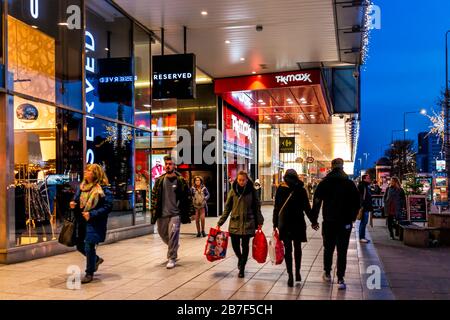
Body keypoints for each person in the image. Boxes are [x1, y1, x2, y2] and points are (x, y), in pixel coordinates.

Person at [311, 158, 360, 290]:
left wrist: (314, 220)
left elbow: (317, 201)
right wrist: (352, 218)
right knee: (342, 250)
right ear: (342, 167)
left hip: (329, 221)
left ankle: (327, 272)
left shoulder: (325, 183)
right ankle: (340, 278)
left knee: (328, 248)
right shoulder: (349, 184)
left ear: (331, 167)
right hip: (345, 222)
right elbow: (357, 202)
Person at [273, 169, 317, 287]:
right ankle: (297, 272)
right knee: (297, 248)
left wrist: (274, 224)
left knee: (288, 250)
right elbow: (307, 208)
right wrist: (314, 221)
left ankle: (290, 276)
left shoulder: (280, 190)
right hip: (298, 223)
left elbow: (276, 208)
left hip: (285, 223)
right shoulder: (301, 190)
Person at [70, 164, 113, 284]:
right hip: (82, 220)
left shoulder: (103, 189)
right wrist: (73, 204)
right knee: (79, 245)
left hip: (95, 222)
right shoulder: (82, 187)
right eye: (85, 170)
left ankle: (89, 273)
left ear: (95, 174)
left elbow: (108, 207)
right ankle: (96, 260)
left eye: (88, 170)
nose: (85, 172)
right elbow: (77, 200)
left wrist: (92, 214)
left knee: (89, 245)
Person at [217, 171, 264, 278]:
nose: (241, 182)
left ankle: (242, 268)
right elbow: (227, 208)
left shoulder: (252, 191)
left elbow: (257, 208)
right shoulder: (233, 191)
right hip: (235, 223)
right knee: (235, 245)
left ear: (247, 180)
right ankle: (240, 258)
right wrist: (220, 222)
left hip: (248, 222)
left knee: (245, 246)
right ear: (237, 180)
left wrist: (260, 221)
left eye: (243, 180)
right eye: (239, 180)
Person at [150, 156, 195, 269]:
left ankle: (172, 257)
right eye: (166, 164)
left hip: (175, 214)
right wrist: (153, 211)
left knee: (173, 235)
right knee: (161, 233)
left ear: (175, 166)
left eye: (170, 163)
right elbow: (154, 196)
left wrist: (191, 212)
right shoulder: (160, 180)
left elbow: (187, 197)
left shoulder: (181, 180)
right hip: (162, 214)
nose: (168, 165)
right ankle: (174, 246)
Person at [358, 174, 373, 243]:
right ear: (364, 179)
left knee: (364, 222)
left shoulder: (366, 186)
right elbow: (361, 197)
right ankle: (361, 237)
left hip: (366, 207)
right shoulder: (362, 186)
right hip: (364, 207)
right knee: (363, 222)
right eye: (368, 178)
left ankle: (362, 236)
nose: (369, 179)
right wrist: (362, 206)